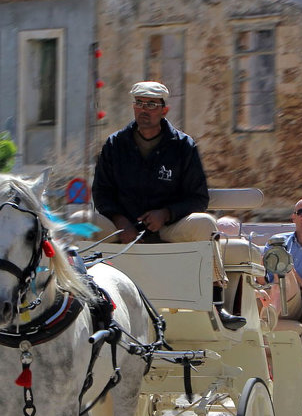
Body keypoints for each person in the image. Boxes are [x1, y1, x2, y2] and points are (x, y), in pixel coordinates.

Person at [91, 81, 245, 330]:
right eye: (139, 103)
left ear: (164, 109)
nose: (144, 109)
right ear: (133, 107)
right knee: (82, 221)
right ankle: (84, 297)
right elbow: (101, 193)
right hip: (124, 227)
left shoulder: (183, 146)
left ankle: (216, 304)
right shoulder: (114, 145)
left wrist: (166, 214)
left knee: (205, 223)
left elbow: (198, 198)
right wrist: (121, 222)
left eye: (151, 104)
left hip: (168, 228)